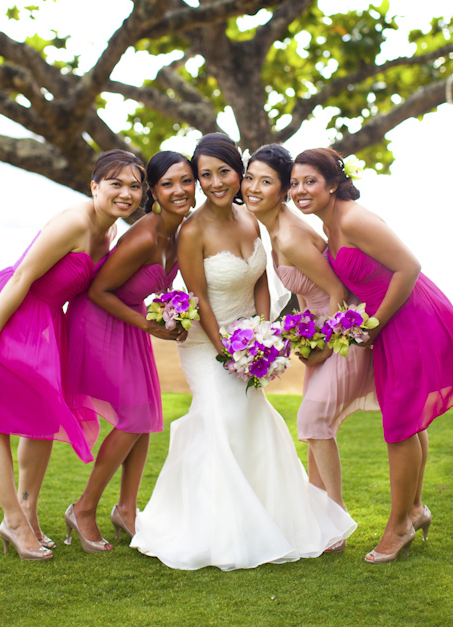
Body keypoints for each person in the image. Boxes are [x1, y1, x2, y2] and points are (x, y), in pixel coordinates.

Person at [131, 134, 356, 570]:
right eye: (205, 175)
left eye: (224, 172)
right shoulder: (191, 231)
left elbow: (257, 279)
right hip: (207, 342)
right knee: (221, 415)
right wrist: (228, 355)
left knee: (251, 419)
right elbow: (199, 298)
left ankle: (264, 519)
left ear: (239, 173)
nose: (215, 182)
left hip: (249, 335)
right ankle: (208, 528)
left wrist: (262, 333)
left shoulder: (250, 217)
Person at [290, 147, 453, 563]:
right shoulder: (331, 225)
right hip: (388, 324)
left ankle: (399, 525)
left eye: (309, 181)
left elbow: (410, 267)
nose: (299, 190)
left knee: (401, 425)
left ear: (332, 184)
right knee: (408, 418)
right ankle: (415, 510)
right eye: (294, 183)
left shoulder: (352, 218)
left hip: (409, 319)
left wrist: (376, 322)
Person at [0, 150, 145, 560]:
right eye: (116, 184)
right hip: (7, 312)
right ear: (94, 186)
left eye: (135, 186)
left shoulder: (109, 231)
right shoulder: (74, 223)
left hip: (44, 322)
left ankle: (26, 511)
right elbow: (23, 275)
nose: (126, 193)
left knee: (41, 418)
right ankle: (12, 519)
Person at [242, 144, 379, 537]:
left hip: (344, 335)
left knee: (313, 418)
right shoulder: (274, 231)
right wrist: (302, 337)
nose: (252, 187)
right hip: (323, 331)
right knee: (316, 423)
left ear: (283, 190)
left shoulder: (289, 235)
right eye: (249, 178)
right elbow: (306, 296)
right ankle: (320, 517)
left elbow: (337, 293)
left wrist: (321, 346)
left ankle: (336, 519)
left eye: (265, 181)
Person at [62, 151, 196, 553]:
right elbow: (97, 291)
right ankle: (83, 509)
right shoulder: (145, 235)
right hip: (99, 320)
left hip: (130, 320)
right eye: (167, 183)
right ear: (153, 192)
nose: (178, 190)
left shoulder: (181, 232)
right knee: (134, 416)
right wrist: (148, 325)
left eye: (186, 181)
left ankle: (126, 509)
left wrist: (167, 316)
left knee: (148, 414)